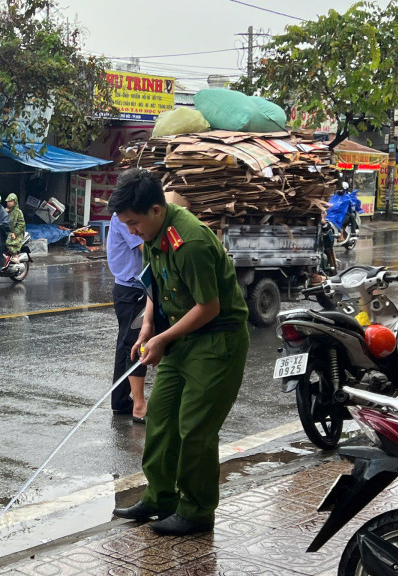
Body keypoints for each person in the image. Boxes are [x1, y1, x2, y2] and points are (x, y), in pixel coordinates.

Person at [109, 169, 249, 536]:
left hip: (216, 340)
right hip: (179, 339)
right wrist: (148, 328)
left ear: (156, 210)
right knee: (160, 418)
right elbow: (156, 285)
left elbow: (209, 307)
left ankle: (197, 510)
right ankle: (160, 496)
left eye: (134, 223)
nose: (131, 231)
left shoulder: (191, 243)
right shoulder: (154, 235)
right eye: (125, 224)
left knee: (195, 429)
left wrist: (162, 338)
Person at [106, 211, 147, 423]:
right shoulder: (124, 217)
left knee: (125, 344)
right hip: (131, 290)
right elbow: (145, 247)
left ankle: (120, 401)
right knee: (135, 344)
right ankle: (139, 407)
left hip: (131, 289)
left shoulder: (126, 214)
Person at [4, 193, 26, 262]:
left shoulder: (18, 212)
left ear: (15, 202)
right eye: (8, 201)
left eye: (11, 201)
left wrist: (15, 233)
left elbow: (21, 224)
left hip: (16, 233)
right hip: (7, 231)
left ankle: (15, 256)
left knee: (8, 241)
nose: (9, 203)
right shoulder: (5, 211)